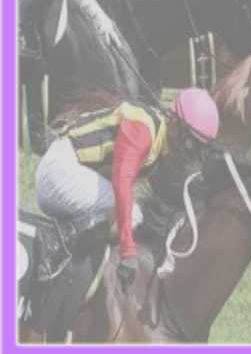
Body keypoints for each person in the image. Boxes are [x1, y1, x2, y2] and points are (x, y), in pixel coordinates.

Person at [34, 88, 220, 289]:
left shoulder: (159, 141)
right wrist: (128, 252)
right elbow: (121, 184)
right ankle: (55, 247)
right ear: (175, 124)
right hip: (57, 173)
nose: (190, 153)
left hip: (67, 175)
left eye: (198, 148)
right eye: (190, 143)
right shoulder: (142, 129)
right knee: (133, 215)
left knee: (131, 212)